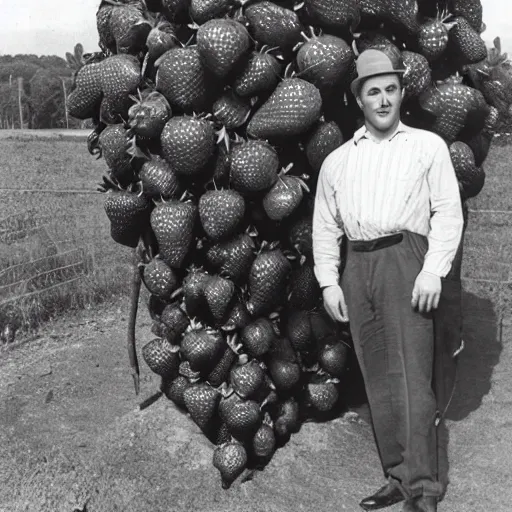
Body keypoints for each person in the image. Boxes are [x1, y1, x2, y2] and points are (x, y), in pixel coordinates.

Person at [312, 49, 464, 512]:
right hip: (357, 268)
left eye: (390, 90)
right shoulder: (338, 161)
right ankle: (397, 476)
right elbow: (324, 226)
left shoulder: (427, 147)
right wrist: (329, 281)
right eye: (373, 91)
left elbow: (448, 213)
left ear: (401, 94)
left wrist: (433, 270)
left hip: (407, 260)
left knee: (414, 379)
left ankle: (422, 489)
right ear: (359, 98)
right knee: (378, 375)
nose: (383, 100)